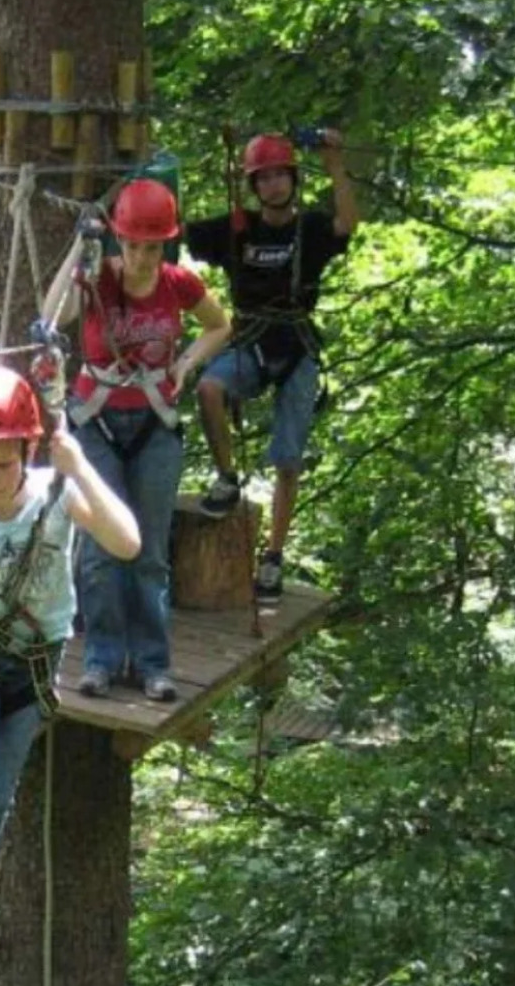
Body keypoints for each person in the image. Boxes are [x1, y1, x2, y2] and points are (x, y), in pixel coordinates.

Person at [0, 365, 140, 947]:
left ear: (27, 448)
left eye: (3, 464)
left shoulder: (59, 498)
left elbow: (127, 543)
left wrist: (80, 466)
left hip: (37, 667)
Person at [56, 178, 232, 702]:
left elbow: (219, 325)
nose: (139, 257)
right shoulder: (96, 280)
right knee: (100, 548)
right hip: (97, 423)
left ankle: (154, 664)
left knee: (150, 551)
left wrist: (185, 362)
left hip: (154, 423)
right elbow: (52, 314)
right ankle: (102, 660)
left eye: (151, 246)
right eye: (131, 244)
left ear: (165, 245)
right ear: (118, 240)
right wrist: (78, 253)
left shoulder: (178, 283)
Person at [184, 128, 359, 604]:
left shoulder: (312, 229)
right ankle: (227, 477)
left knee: (287, 458)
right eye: (265, 179)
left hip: (296, 346)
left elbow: (347, 222)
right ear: (254, 186)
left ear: (293, 181)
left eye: (282, 176)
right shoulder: (237, 228)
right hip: (252, 340)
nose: (274, 186)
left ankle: (273, 557)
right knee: (208, 389)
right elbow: (174, 230)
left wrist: (335, 163)